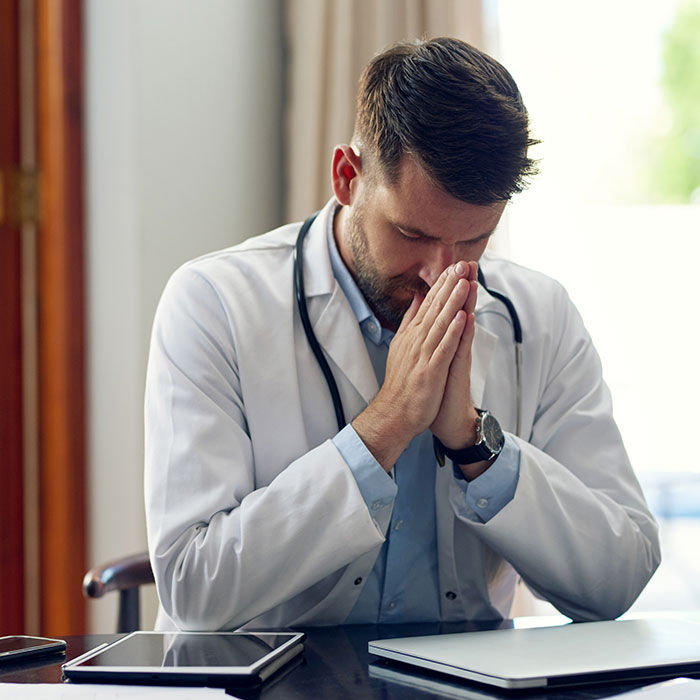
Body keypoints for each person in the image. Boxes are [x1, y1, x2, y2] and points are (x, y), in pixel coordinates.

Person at [144, 37, 660, 632]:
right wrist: (384, 428)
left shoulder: (540, 315)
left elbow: (621, 575)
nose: (440, 273)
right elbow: (192, 588)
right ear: (347, 177)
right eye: (412, 233)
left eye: (472, 241)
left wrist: (473, 443)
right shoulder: (212, 303)